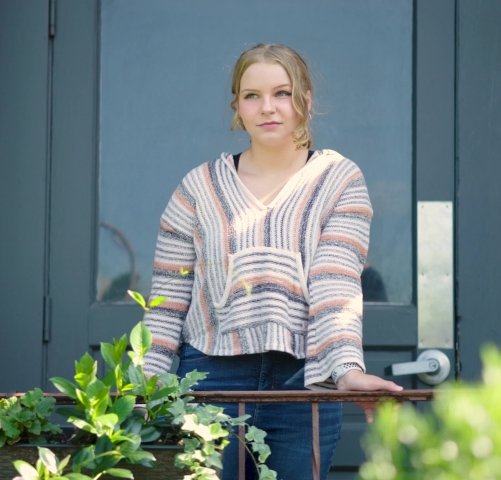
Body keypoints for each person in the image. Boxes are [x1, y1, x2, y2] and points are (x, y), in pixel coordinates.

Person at [143, 43, 402, 480]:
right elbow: (167, 303)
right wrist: (141, 386)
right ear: (237, 107)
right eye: (252, 96)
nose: (268, 108)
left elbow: (334, 283)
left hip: (305, 379)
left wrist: (347, 369)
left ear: (305, 100)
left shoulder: (338, 181)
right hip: (210, 376)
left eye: (282, 93)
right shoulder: (198, 189)